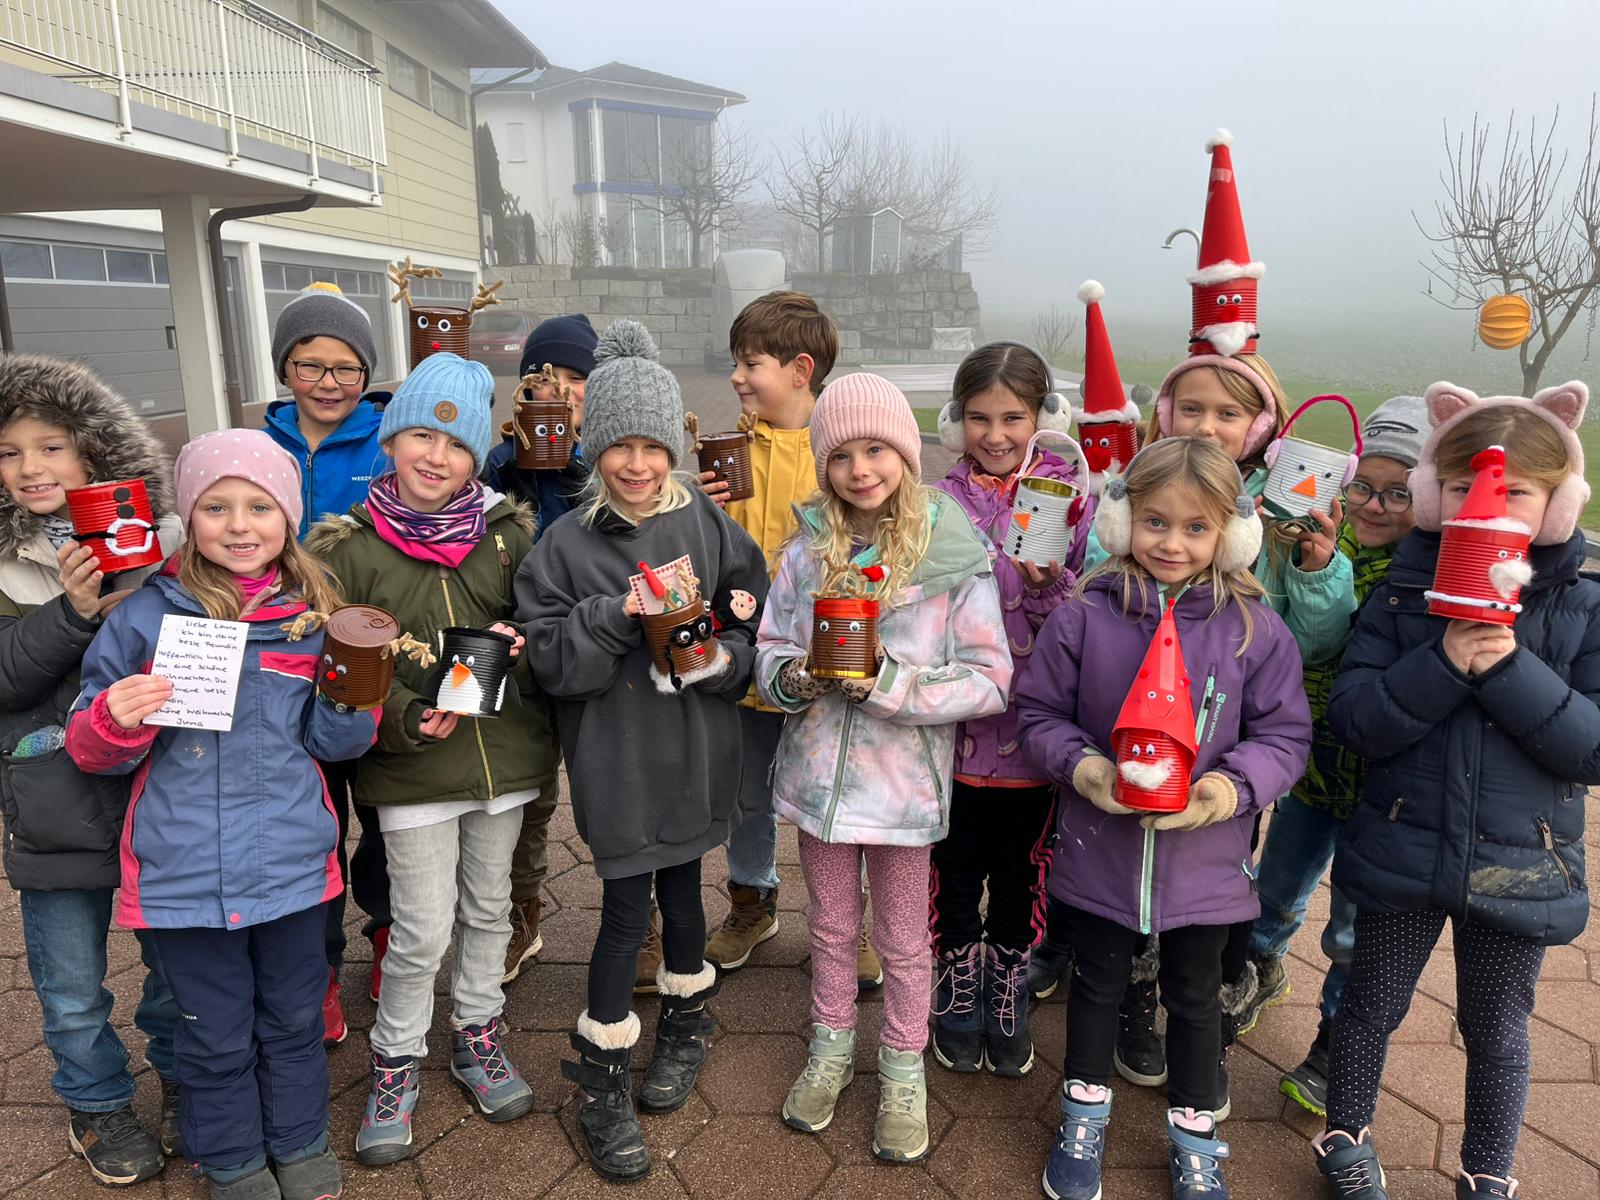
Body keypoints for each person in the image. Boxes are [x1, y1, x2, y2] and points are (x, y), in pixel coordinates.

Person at [66, 428, 374, 1200]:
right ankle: (232, 1158)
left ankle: (299, 1142)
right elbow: (90, 748)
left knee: (294, 1021)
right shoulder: (143, 619)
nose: (239, 525)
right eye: (216, 506)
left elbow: (334, 745)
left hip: (291, 869)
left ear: (289, 516)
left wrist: (353, 698)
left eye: (260, 506)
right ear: (189, 516)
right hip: (185, 877)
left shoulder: (314, 617)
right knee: (212, 1032)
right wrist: (114, 718)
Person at [1312, 382, 1600, 1200]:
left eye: (1516, 492)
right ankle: (1344, 1134)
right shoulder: (1402, 597)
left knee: (1497, 1027)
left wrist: (1508, 667)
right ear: (1436, 496)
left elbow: (1592, 748)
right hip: (1404, 840)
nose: (1489, 506)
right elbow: (1356, 719)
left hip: (1522, 862)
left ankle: (1488, 1173)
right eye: (1466, 487)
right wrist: (1442, 663)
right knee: (1370, 1003)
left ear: (1559, 503)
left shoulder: (1584, 608)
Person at [1016, 436, 1311, 1200]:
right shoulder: (1084, 616)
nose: (1172, 543)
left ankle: (1194, 1131)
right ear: (1122, 521)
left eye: (1195, 527)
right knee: (1096, 984)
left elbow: (1285, 737)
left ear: (1230, 534)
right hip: (1100, 851)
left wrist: (1227, 792)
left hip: (1207, 865)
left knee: (1196, 994)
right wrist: (1085, 769)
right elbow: (1038, 713)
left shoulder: (1255, 629)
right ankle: (1083, 1112)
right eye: (1155, 521)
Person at [518, 321, 768, 1183]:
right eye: (618, 446)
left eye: (652, 447)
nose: (636, 464)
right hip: (618, 760)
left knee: (688, 897)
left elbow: (750, 612)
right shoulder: (564, 543)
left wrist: (722, 657)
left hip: (696, 752)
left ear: (673, 450)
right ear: (592, 449)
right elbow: (550, 660)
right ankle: (602, 1069)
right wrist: (613, 615)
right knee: (626, 914)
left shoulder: (705, 522)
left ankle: (686, 1025)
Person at [307, 352, 556, 1166]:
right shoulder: (346, 549)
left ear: (476, 456)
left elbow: (545, 625)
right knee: (418, 930)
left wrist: (525, 645)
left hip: (504, 761)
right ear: (390, 440)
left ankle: (477, 1031)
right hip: (412, 771)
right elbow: (336, 672)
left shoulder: (510, 533)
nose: (436, 456)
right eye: (421, 435)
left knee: (490, 911)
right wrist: (406, 715)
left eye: (456, 445)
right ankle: (395, 1060)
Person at [756, 372, 1011, 1162]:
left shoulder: (950, 554)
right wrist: (794, 677)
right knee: (832, 929)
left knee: (902, 940)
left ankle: (903, 1068)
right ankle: (830, 1049)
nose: (859, 469)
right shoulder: (807, 551)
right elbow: (769, 646)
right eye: (840, 455)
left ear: (905, 452)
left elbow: (990, 678)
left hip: (901, 797)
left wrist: (889, 684)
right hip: (818, 789)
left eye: (876, 450)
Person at [0, 354, 184, 1187]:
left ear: (95, 452)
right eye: (10, 452)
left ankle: (184, 1076)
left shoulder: (162, 540)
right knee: (71, 981)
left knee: (175, 964)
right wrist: (71, 613)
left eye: (52, 447)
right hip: (51, 799)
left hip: (159, 796)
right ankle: (97, 1100)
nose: (31, 468)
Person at [1236, 395, 1428, 1116]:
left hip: (1388, 791)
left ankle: (1336, 1042)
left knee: (1356, 925)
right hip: (1315, 768)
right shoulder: (1317, 541)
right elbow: (1294, 641)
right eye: (1363, 487)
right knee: (1276, 886)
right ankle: (1258, 966)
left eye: (1399, 493)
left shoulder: (1427, 572)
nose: (1375, 505)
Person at [699, 291, 883, 985]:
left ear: (801, 370)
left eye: (751, 364)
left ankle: (847, 923)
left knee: (835, 788)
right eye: (737, 363)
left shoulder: (842, 453)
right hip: (749, 651)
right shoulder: (730, 451)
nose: (737, 377)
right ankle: (753, 901)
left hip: (824, 656)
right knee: (747, 786)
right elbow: (709, 554)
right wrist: (701, 510)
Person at [926, 339, 1083, 1077]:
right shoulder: (937, 503)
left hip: (1033, 736)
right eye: (979, 418)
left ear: (1043, 417)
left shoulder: (1068, 500)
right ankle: (958, 983)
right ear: (956, 420)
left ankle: (1009, 982)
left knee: (1022, 876)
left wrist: (1048, 587)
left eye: (1013, 418)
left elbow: (1083, 628)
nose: (994, 435)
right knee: (954, 869)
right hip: (954, 734)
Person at [262, 280, 394, 1033]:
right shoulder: (260, 446)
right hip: (283, 664)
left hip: (370, 660)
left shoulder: (390, 441)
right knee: (311, 824)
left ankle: (386, 932)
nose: (328, 382)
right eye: (310, 364)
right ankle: (317, 969)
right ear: (286, 368)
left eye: (346, 367)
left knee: (381, 811)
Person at [478, 313, 598, 989]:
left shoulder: (607, 459)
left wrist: (575, 455)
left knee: (614, 785)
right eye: (550, 378)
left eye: (579, 378)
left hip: (589, 643)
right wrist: (516, 455)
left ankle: (638, 919)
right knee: (523, 793)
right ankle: (520, 913)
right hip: (516, 645)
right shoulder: (499, 463)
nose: (564, 391)